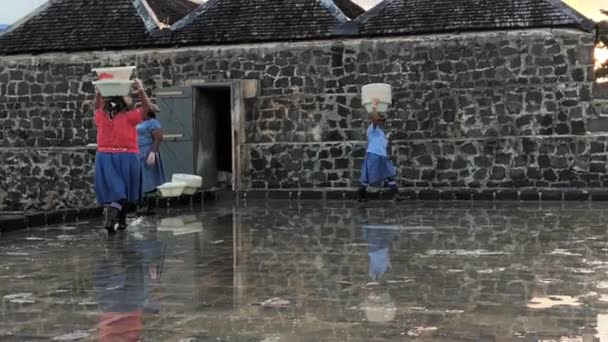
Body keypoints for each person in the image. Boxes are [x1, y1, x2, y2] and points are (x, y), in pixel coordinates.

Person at [94, 79, 153, 233]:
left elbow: (96, 107)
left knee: (116, 191)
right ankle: (114, 214)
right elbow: (147, 108)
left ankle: (119, 221)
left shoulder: (101, 116)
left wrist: (99, 92)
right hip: (127, 156)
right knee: (124, 192)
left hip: (105, 156)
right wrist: (140, 89)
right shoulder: (130, 117)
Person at [358, 98, 403, 202]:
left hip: (382, 156)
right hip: (373, 155)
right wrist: (374, 106)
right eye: (380, 120)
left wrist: (388, 137)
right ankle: (361, 196)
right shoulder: (372, 129)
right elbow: (374, 118)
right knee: (368, 177)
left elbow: (383, 145)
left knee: (390, 174)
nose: (381, 121)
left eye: (382, 120)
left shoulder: (382, 133)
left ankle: (396, 195)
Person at [136, 102, 165, 214]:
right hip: (137, 155)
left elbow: (158, 138)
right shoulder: (138, 122)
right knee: (140, 180)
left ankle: (150, 207)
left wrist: (153, 152)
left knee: (150, 179)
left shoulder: (153, 123)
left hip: (148, 154)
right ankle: (141, 204)